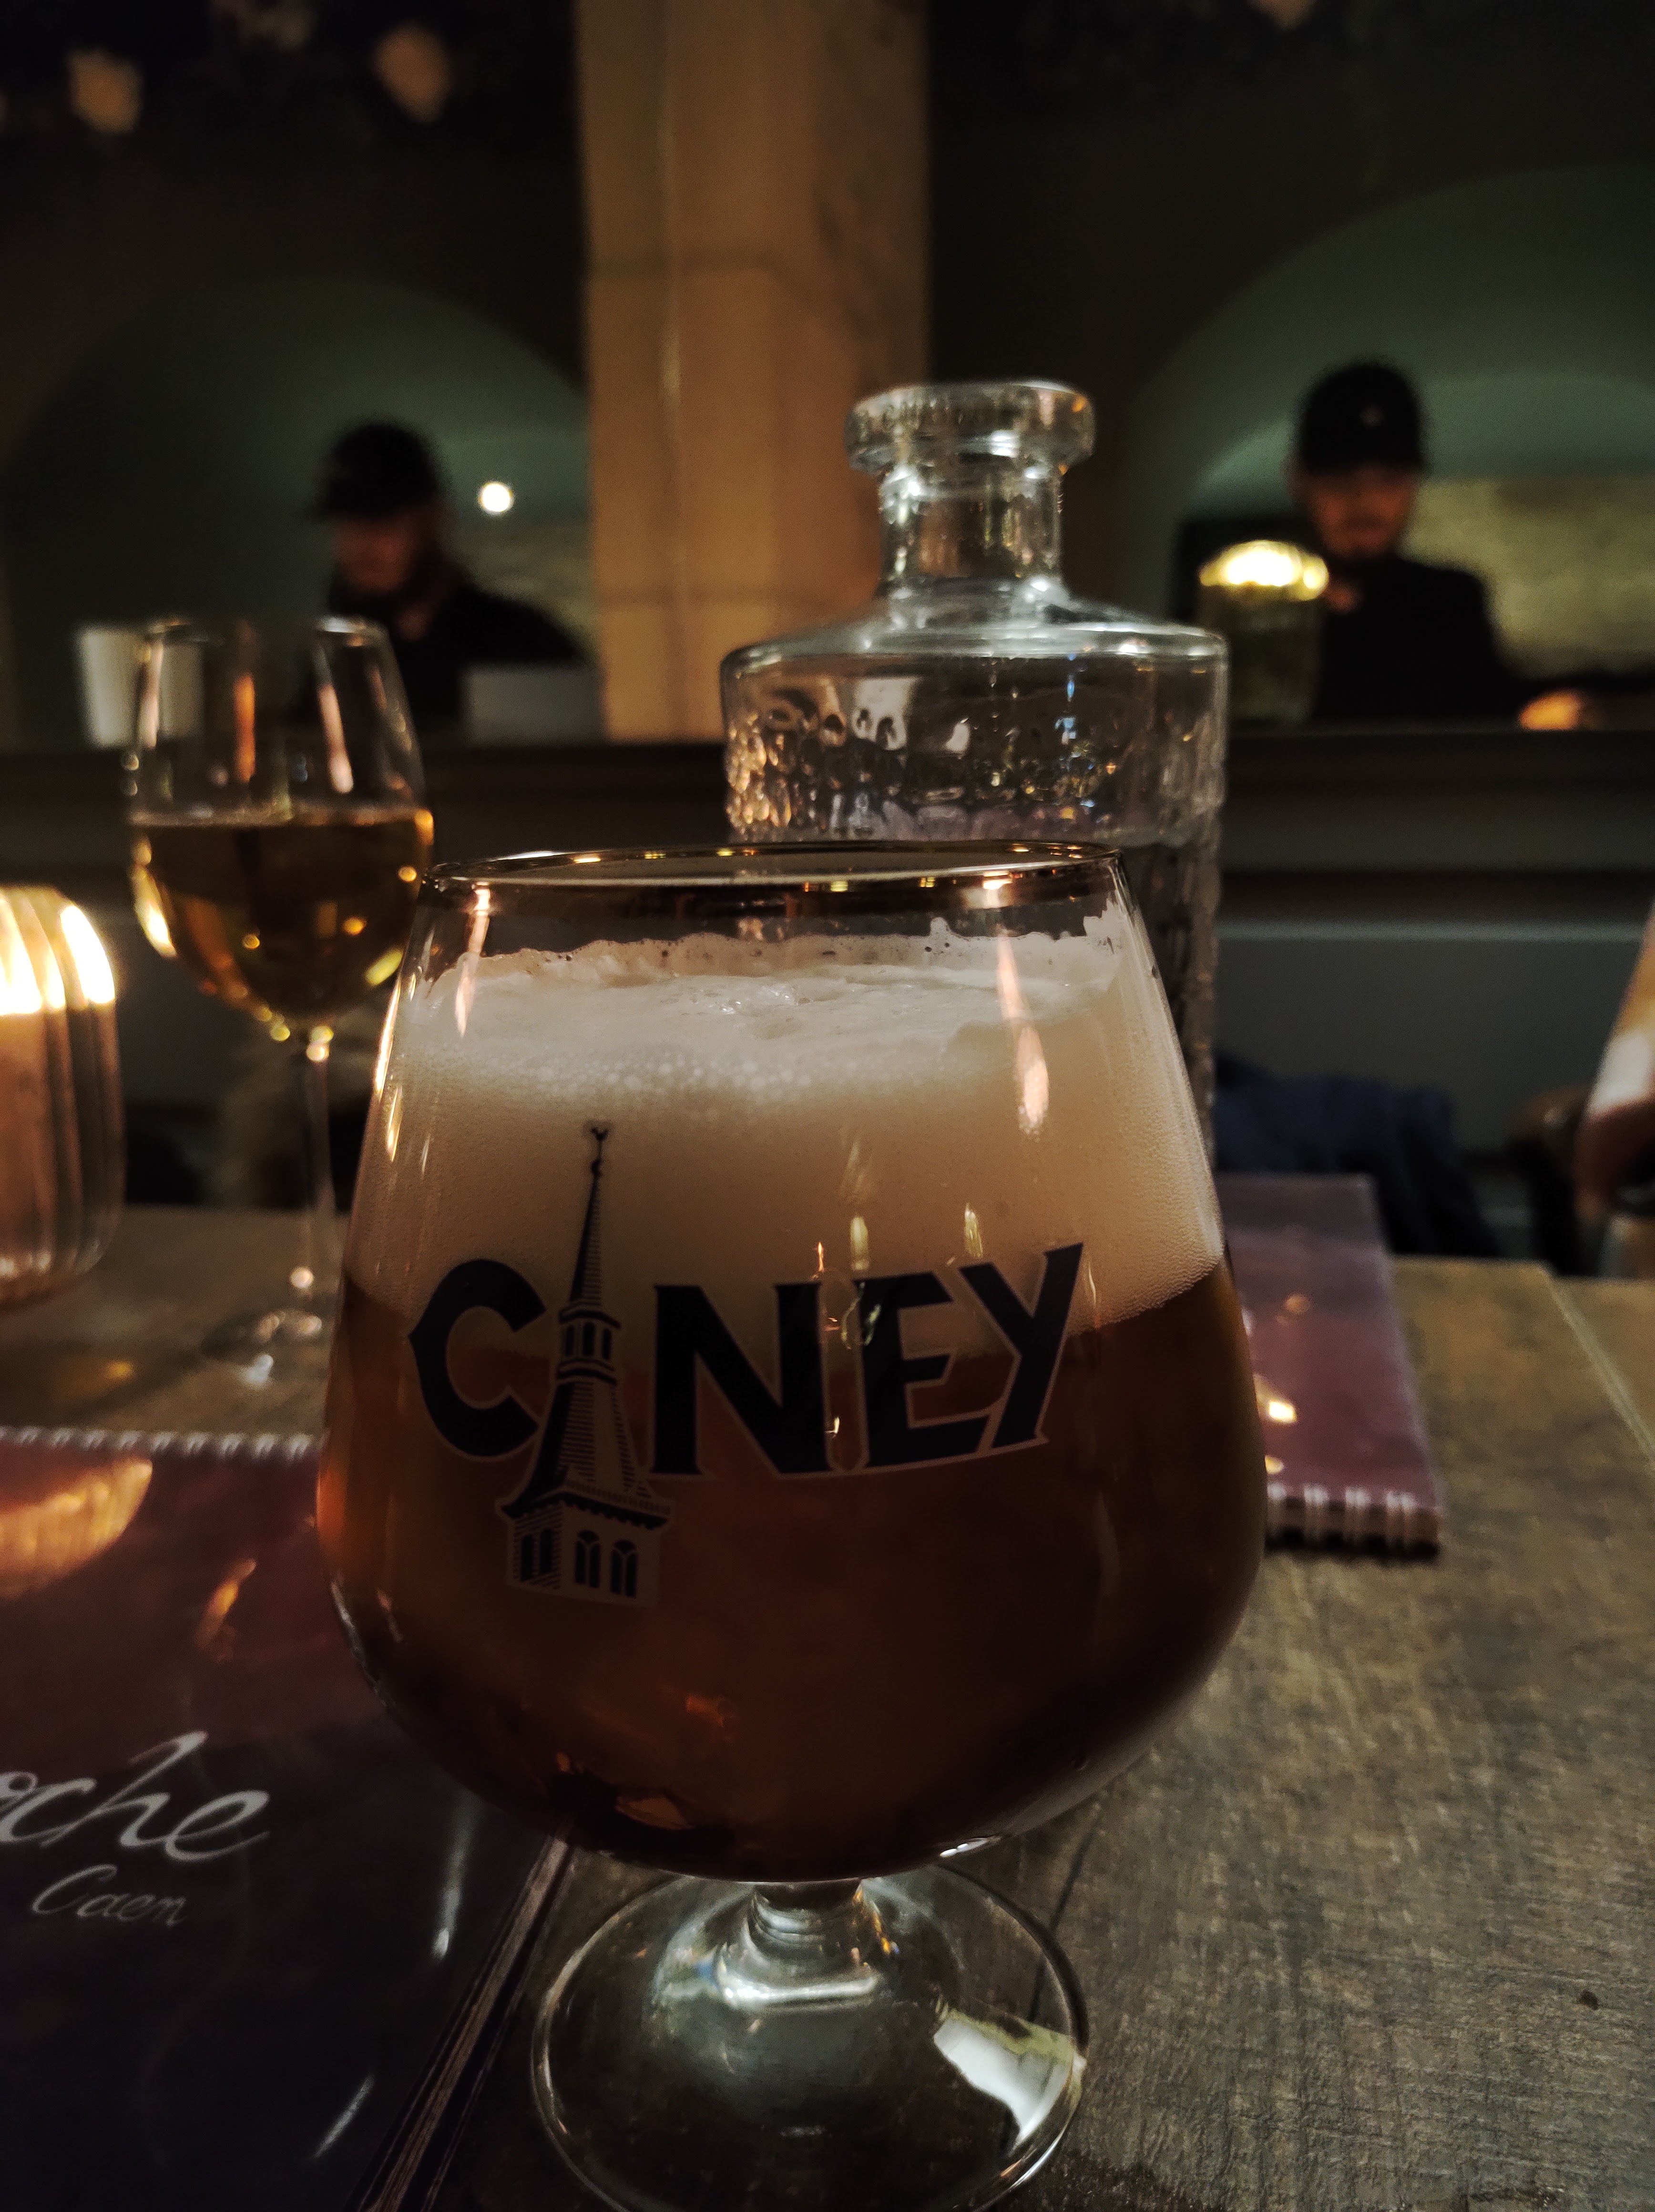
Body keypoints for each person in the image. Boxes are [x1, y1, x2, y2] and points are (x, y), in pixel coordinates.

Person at [315, 421, 584, 739]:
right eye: (345, 525)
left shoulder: (524, 644)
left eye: (380, 522)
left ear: (434, 519)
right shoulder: (341, 656)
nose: (359, 545)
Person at [1288, 363, 1524, 723]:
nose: (1365, 501)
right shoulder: (1257, 607)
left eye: (1389, 480)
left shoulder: (1451, 604)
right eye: (1341, 479)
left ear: (1414, 484)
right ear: (1299, 482)